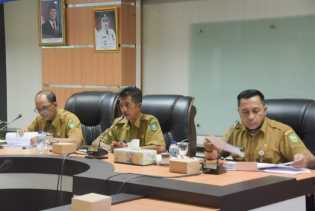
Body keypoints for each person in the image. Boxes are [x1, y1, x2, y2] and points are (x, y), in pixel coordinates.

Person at [204, 89, 313, 167]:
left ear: (265, 110)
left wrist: (303, 160)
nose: (251, 117)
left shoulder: (283, 132)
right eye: (245, 112)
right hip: (240, 186)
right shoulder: (235, 131)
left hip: (273, 188)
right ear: (238, 112)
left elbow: (310, 159)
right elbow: (216, 154)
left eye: (256, 111)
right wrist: (211, 150)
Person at [92, 86, 166, 153]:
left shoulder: (150, 121)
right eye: (121, 106)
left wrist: (128, 148)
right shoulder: (118, 123)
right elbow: (96, 144)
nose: (123, 110)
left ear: (139, 106)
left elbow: (160, 148)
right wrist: (113, 148)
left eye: (127, 105)